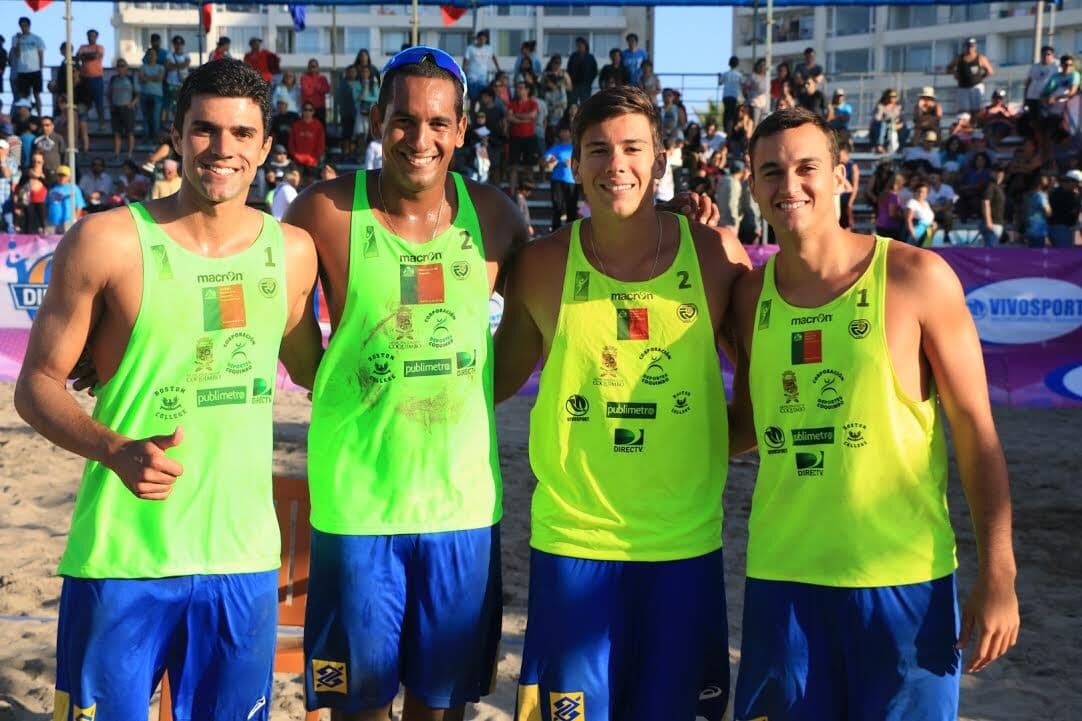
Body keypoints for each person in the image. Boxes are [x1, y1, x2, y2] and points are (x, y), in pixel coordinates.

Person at [14, 58, 320, 720]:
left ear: (266, 146)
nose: (223, 149)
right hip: (122, 555)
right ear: (177, 135)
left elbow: (316, 368)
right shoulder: (107, 240)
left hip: (241, 559)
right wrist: (115, 447)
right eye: (205, 130)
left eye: (242, 134)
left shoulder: (292, 253)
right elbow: (35, 387)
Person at [729, 107, 1019, 721]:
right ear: (752, 185)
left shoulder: (916, 277)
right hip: (784, 583)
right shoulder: (751, 295)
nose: (790, 185)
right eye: (772, 171)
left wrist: (1000, 573)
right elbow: (748, 429)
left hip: (904, 585)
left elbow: (976, 434)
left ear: (843, 177)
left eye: (807, 167)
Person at [281, 46, 529, 721]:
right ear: (377, 120)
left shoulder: (498, 218)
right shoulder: (323, 213)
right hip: (359, 508)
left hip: (461, 509)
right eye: (403, 120)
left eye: (438, 122)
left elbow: (515, 353)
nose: (421, 138)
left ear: (462, 126)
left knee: (440, 705)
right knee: (356, 707)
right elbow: (300, 354)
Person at [493, 84, 750, 721]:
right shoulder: (543, 264)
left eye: (634, 148)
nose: (617, 166)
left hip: (683, 546)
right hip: (573, 545)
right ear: (574, 162)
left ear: (661, 159)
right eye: (598, 150)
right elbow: (489, 384)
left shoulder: (716, 256)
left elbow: (774, 389)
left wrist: (710, 443)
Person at [542, 124, 576, 230]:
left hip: (572, 181)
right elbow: (544, 161)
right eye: (562, 131)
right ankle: (556, 231)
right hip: (557, 180)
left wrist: (572, 163)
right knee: (557, 206)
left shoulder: (575, 147)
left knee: (571, 207)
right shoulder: (555, 148)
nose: (564, 134)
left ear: (571, 133)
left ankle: (571, 231)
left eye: (566, 131)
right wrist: (551, 161)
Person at [508, 79, 539, 193]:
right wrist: (524, 119)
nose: (518, 90)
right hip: (515, 137)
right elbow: (509, 117)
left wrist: (517, 116)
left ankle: (528, 190)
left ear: (527, 90)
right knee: (513, 166)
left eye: (521, 88)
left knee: (529, 166)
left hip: (529, 137)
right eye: (517, 88)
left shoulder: (533, 103)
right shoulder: (513, 103)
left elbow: (532, 115)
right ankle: (512, 191)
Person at [948, 37, 995, 114]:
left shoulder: (980, 58)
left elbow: (990, 71)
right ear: (965, 47)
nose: (970, 48)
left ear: (975, 47)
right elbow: (949, 68)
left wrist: (981, 77)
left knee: (976, 110)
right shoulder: (959, 58)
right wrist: (955, 74)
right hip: (963, 87)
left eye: (972, 46)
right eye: (968, 46)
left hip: (976, 87)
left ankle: (975, 124)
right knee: (964, 111)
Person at [11, 16, 45, 115]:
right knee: (23, 96)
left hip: (35, 70)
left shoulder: (37, 38)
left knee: (37, 94)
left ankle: (39, 115)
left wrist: (41, 67)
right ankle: (25, 116)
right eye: (22, 26)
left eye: (25, 25)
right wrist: (18, 40)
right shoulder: (15, 38)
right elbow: (16, 53)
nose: (24, 28)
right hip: (22, 71)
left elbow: (41, 53)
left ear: (29, 26)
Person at [76, 29, 106, 127]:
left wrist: (85, 56)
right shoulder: (82, 47)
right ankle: (84, 125)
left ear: (96, 37)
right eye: (89, 36)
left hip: (97, 77)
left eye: (93, 36)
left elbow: (95, 56)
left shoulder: (100, 47)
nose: (91, 37)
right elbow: (78, 57)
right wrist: (88, 56)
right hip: (85, 78)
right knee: (84, 103)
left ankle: (102, 124)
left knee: (99, 102)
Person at [288, 102, 325, 178]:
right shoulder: (296, 125)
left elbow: (321, 143)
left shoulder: (318, 125)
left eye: (310, 110)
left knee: (310, 186)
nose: (307, 112)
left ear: (313, 112)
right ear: (302, 111)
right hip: (297, 161)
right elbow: (291, 143)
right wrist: (295, 155)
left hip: (312, 161)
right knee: (297, 183)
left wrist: (315, 157)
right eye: (305, 110)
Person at [44, 164, 85, 232]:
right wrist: (46, 218)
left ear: (69, 177)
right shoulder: (52, 189)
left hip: (68, 222)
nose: (61, 178)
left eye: (64, 176)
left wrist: (75, 219)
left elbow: (79, 206)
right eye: (59, 175)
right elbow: (46, 205)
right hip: (51, 222)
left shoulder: (74, 188)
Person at [1049, 170, 1081, 248]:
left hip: (1063, 228)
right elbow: (1073, 211)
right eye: (1077, 184)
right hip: (1061, 228)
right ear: (1070, 182)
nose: (1077, 186)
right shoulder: (1064, 194)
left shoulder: (1058, 191)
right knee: (1064, 253)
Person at [463, 30, 498, 103]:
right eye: (481, 39)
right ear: (477, 39)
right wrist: (464, 74)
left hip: (483, 78)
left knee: (483, 99)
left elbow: (493, 57)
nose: (482, 41)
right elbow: (465, 62)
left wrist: (498, 69)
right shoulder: (470, 48)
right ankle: (472, 114)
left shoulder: (489, 48)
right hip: (472, 77)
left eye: (484, 39)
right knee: (474, 98)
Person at [139, 47, 165, 143]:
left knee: (155, 118)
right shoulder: (142, 67)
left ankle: (155, 138)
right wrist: (154, 77)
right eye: (149, 54)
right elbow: (141, 78)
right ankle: (146, 138)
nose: (151, 56)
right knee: (145, 118)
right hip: (144, 94)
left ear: (156, 56)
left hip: (157, 95)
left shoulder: (161, 67)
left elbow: (160, 78)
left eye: (153, 54)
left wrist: (147, 77)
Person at [163, 35, 191, 125]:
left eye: (180, 44)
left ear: (183, 45)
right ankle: (173, 124)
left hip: (183, 84)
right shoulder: (169, 55)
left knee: (182, 105)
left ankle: (180, 123)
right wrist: (180, 65)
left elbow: (185, 65)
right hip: (172, 84)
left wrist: (173, 66)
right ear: (174, 45)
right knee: (172, 104)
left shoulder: (186, 55)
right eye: (176, 44)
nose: (178, 46)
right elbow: (168, 66)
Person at [980, 164, 1007, 247]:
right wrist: (988, 221)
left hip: (998, 223)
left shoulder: (999, 187)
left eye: (1001, 172)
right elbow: (986, 203)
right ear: (992, 173)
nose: (999, 174)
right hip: (992, 224)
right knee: (991, 250)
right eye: (997, 172)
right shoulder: (990, 186)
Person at [567, 36, 597, 106]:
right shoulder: (573, 56)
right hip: (574, 84)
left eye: (580, 45)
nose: (579, 47)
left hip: (586, 85)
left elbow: (594, 71)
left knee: (585, 104)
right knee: (573, 103)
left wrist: (589, 81)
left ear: (585, 45)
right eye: (577, 45)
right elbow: (569, 70)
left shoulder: (590, 57)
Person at [905, 179, 937, 245]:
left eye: (923, 192)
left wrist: (933, 223)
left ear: (927, 194)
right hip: (916, 234)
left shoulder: (926, 203)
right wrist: (913, 236)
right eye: (919, 191)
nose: (921, 194)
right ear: (915, 192)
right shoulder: (912, 202)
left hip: (927, 234)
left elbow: (928, 218)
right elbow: (908, 220)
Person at [301, 58, 331, 127]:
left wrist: (312, 87)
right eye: (310, 67)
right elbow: (307, 91)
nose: (312, 68)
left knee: (321, 128)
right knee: (307, 128)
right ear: (308, 68)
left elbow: (327, 89)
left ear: (317, 67)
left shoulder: (323, 78)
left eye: (314, 66)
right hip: (308, 108)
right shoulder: (304, 78)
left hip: (320, 108)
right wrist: (318, 87)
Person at [719, 56, 743, 136]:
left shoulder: (725, 74)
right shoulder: (739, 75)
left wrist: (719, 76)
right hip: (734, 96)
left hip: (726, 96)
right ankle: (729, 131)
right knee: (732, 114)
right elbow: (742, 84)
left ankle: (726, 130)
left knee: (726, 113)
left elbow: (720, 83)